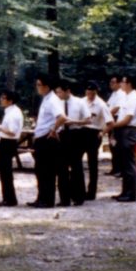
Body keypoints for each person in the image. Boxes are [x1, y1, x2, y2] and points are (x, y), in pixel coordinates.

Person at [106, 75, 136, 203]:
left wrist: (112, 125)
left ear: (129, 84)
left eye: (122, 82)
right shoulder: (126, 97)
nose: (120, 84)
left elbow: (127, 119)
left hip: (128, 130)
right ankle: (125, 191)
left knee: (129, 163)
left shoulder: (134, 98)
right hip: (122, 130)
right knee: (123, 163)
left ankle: (131, 193)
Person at [29, 74, 64, 208]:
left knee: (47, 171)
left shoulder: (53, 100)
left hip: (47, 140)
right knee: (40, 170)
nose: (37, 87)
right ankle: (41, 197)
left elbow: (62, 117)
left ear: (46, 86)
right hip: (41, 138)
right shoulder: (45, 99)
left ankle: (48, 200)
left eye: (39, 85)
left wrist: (53, 129)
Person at [54, 79, 89, 207]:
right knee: (61, 167)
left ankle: (78, 196)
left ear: (67, 91)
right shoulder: (57, 103)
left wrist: (74, 122)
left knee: (76, 166)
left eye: (60, 92)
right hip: (62, 134)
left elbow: (88, 120)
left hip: (76, 134)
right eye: (56, 92)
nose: (58, 95)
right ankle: (64, 198)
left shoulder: (80, 102)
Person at [0, 90, 22, 207]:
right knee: (3, 171)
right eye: (1, 97)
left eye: (3, 98)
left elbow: (12, 132)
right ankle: (7, 197)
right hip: (6, 142)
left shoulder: (13, 113)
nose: (1, 100)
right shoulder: (10, 111)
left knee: (6, 171)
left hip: (8, 142)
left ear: (10, 101)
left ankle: (10, 199)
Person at [80, 81, 111, 200]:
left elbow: (110, 123)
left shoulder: (101, 105)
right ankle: (79, 189)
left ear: (96, 92)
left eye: (92, 92)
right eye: (88, 92)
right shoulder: (81, 102)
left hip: (94, 133)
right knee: (77, 161)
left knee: (92, 164)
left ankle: (91, 191)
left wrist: (102, 133)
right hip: (82, 132)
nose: (89, 94)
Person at [105, 75, 125, 176]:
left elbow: (117, 108)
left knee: (117, 144)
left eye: (113, 82)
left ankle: (120, 169)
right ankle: (115, 168)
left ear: (119, 83)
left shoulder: (121, 94)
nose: (111, 84)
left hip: (117, 119)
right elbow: (108, 105)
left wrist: (107, 116)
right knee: (112, 145)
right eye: (110, 82)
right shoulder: (114, 94)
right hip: (110, 118)